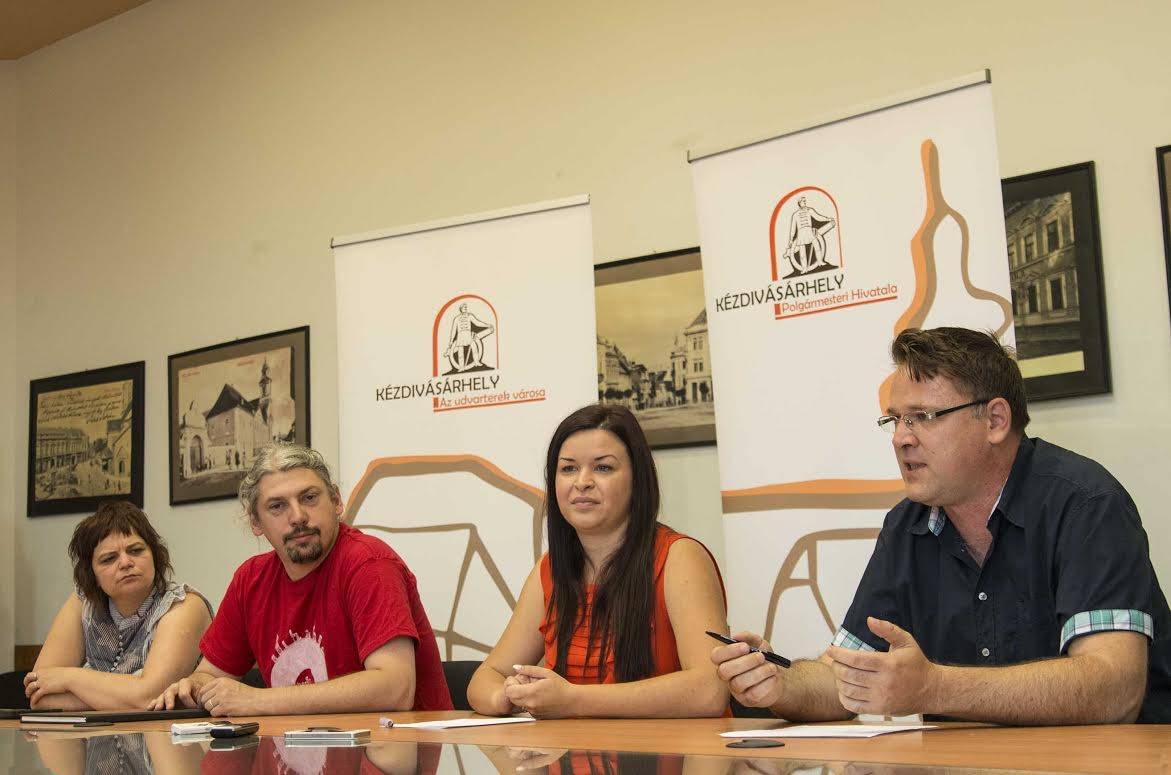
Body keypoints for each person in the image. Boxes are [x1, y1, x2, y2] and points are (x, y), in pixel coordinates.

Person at [712, 327, 1170, 724]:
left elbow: (1115, 688)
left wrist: (934, 688)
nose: (900, 438)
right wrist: (779, 683)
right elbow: (847, 678)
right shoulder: (906, 525)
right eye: (895, 420)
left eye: (923, 418)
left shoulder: (1085, 504)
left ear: (995, 420)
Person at [150, 442, 452, 715]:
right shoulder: (250, 580)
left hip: (405, 748)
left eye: (309, 498)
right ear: (255, 522)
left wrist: (256, 700)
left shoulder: (368, 563)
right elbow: (210, 674)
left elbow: (395, 688)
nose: (297, 516)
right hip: (299, 749)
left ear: (336, 502)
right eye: (277, 506)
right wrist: (193, 687)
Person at [467, 403, 729, 718]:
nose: (582, 481)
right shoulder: (549, 571)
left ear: (637, 479)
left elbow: (710, 690)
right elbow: (486, 677)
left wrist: (571, 700)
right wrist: (510, 696)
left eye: (603, 468)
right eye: (568, 469)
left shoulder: (680, 557)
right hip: (573, 749)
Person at [24, 501, 213, 710]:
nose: (125, 563)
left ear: (155, 555)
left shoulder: (183, 605)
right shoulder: (83, 602)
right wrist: (126, 696)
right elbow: (39, 694)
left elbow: (149, 697)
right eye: (109, 559)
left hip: (167, 731)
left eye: (136, 550)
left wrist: (68, 678)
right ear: (92, 575)